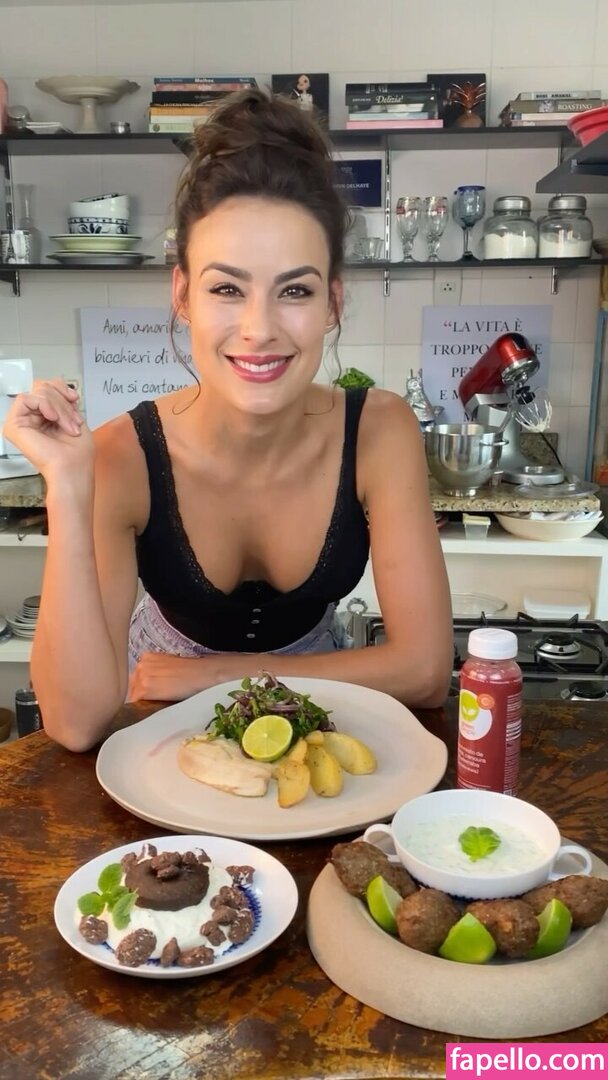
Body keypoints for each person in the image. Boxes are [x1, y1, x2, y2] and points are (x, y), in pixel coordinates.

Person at [4, 88, 453, 752]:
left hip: (314, 707)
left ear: (332, 303)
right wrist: (68, 490)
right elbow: (75, 725)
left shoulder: (379, 431)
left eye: (294, 290)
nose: (259, 328)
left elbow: (425, 671)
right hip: (157, 708)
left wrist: (216, 676)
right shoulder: (123, 455)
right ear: (183, 295)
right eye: (226, 288)